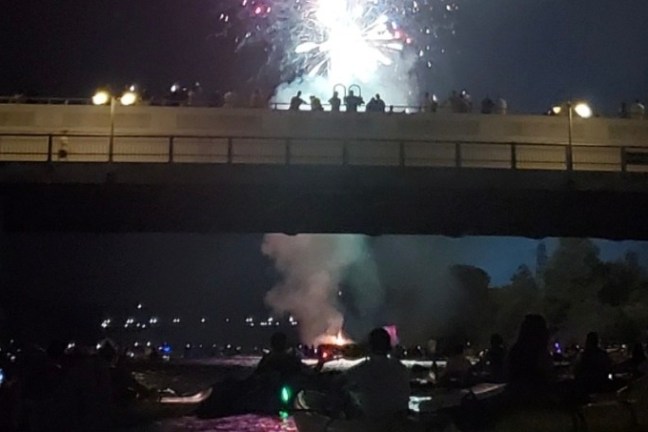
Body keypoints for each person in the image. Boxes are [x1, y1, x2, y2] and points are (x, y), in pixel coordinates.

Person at [342, 328, 410, 422]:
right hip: (398, 422)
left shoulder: (362, 370)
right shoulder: (401, 368)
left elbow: (338, 382)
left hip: (371, 423)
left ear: (370, 346)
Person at [506, 314, 554, 404]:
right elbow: (546, 372)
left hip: (517, 399)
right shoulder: (539, 351)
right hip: (536, 399)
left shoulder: (516, 350)